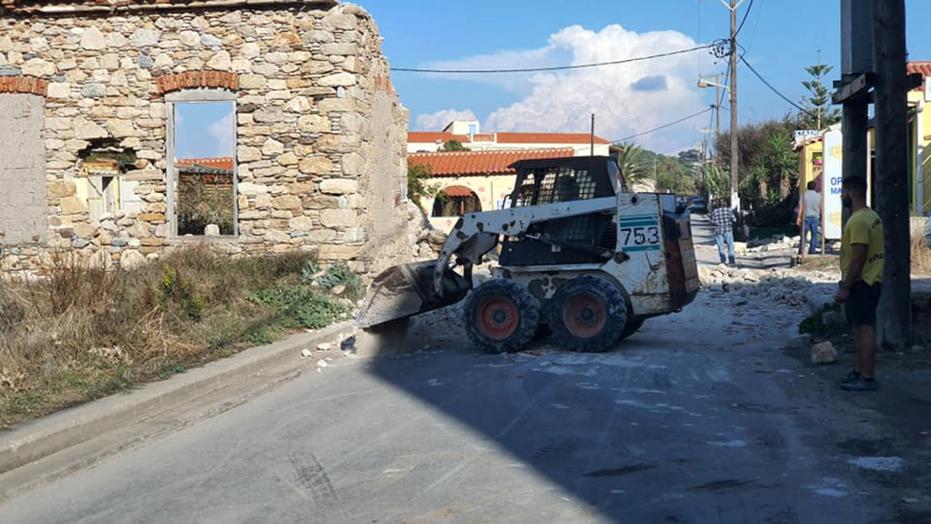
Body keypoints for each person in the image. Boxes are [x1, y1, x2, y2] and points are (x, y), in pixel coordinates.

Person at [835, 176, 884, 392]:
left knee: (865, 330)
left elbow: (858, 257)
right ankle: (859, 370)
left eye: (843, 192)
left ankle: (867, 376)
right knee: (859, 329)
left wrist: (846, 287)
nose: (842, 196)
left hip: (862, 282)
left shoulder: (858, 222)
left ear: (852, 193)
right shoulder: (872, 216)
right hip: (871, 280)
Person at [797, 181, 822, 255]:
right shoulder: (819, 196)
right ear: (815, 187)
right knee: (814, 235)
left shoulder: (804, 195)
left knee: (803, 235)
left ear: (807, 187)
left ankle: (801, 250)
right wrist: (821, 217)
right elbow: (821, 207)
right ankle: (812, 250)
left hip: (806, 217)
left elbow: (801, 208)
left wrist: (798, 217)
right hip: (815, 217)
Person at [710, 199, 737, 266]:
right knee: (730, 245)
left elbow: (712, 221)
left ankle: (723, 261)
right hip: (728, 230)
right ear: (726, 204)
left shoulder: (715, 211)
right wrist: (730, 223)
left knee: (720, 246)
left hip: (718, 230)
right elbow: (734, 219)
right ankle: (731, 261)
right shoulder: (729, 210)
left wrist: (717, 224)